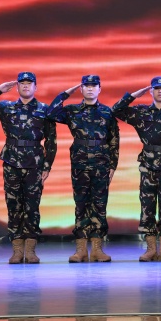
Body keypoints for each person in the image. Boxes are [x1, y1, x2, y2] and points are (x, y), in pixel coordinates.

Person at [0, 72, 57, 264]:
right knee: (13, 206)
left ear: (35, 87)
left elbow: (51, 140)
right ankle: (17, 250)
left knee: (32, 207)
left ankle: (30, 250)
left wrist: (47, 165)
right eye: (22, 83)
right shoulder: (7, 107)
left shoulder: (45, 110)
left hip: (35, 163)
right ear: (17, 86)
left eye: (29, 83)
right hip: (12, 161)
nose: (25, 86)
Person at [112, 77, 161, 262]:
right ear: (152, 91)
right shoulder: (142, 112)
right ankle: (150, 249)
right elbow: (116, 110)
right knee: (147, 207)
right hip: (147, 165)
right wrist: (134, 95)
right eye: (157, 88)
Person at [48, 75, 119, 263]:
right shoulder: (72, 111)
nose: (90, 88)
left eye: (94, 85)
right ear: (81, 89)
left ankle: (97, 249)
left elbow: (114, 140)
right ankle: (80, 249)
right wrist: (66, 93)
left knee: (99, 205)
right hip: (80, 162)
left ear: (99, 89)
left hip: (101, 163)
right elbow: (51, 113)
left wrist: (113, 165)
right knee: (81, 204)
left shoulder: (107, 112)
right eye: (86, 86)